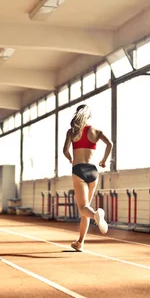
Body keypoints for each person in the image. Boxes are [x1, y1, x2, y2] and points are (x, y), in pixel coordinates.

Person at [62, 104, 112, 252]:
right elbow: (110, 144)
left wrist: (70, 157)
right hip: (93, 171)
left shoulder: (72, 132)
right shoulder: (96, 131)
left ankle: (97, 215)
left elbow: (65, 150)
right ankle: (80, 242)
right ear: (89, 116)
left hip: (79, 170)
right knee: (86, 208)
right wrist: (103, 160)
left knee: (84, 208)